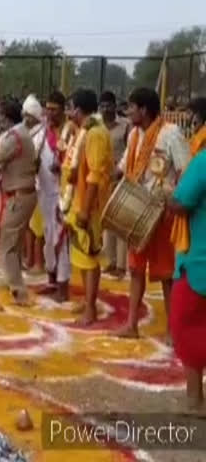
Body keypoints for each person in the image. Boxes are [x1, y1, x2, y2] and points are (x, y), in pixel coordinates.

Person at [116, 87, 190, 339]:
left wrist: (174, 201)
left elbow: (184, 171)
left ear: (144, 110)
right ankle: (131, 325)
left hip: (163, 215)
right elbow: (125, 167)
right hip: (137, 213)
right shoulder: (134, 135)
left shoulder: (171, 134)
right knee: (136, 270)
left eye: (131, 107)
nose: (128, 112)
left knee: (167, 275)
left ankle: (173, 330)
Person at [61, 89, 113, 324]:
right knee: (81, 256)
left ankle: (91, 309)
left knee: (90, 256)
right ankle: (87, 302)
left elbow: (94, 175)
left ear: (78, 110)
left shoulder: (95, 134)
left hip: (88, 206)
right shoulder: (84, 132)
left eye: (70, 107)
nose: (68, 112)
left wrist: (84, 210)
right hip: (77, 202)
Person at [168, 143, 206, 409]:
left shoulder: (204, 161)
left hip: (199, 260)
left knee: (186, 325)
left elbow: (181, 203)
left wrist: (166, 196)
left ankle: (194, 398)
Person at [0, 99, 38, 306]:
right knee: (14, 243)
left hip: (19, 195)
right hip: (25, 194)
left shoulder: (14, 136)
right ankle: (15, 281)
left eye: (0, 116)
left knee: (6, 244)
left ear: (5, 117)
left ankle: (19, 291)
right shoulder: (23, 132)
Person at [37, 91, 71, 301]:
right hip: (45, 192)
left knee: (62, 239)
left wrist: (63, 165)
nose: (49, 113)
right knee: (48, 237)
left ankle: (63, 287)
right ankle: (51, 280)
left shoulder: (71, 131)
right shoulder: (43, 131)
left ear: (63, 109)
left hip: (64, 193)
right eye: (47, 108)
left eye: (54, 109)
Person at [99, 91, 130, 278]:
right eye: (102, 106)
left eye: (108, 105)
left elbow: (129, 151)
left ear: (114, 105)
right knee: (106, 220)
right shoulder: (96, 126)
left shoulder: (125, 126)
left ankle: (121, 265)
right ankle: (109, 261)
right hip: (102, 179)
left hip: (120, 179)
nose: (105, 109)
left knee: (120, 222)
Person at [23, 95, 46, 273]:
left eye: (28, 115)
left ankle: (39, 263)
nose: (25, 119)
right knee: (29, 226)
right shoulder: (28, 133)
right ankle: (29, 259)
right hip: (28, 184)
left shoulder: (42, 134)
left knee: (38, 228)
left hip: (40, 186)